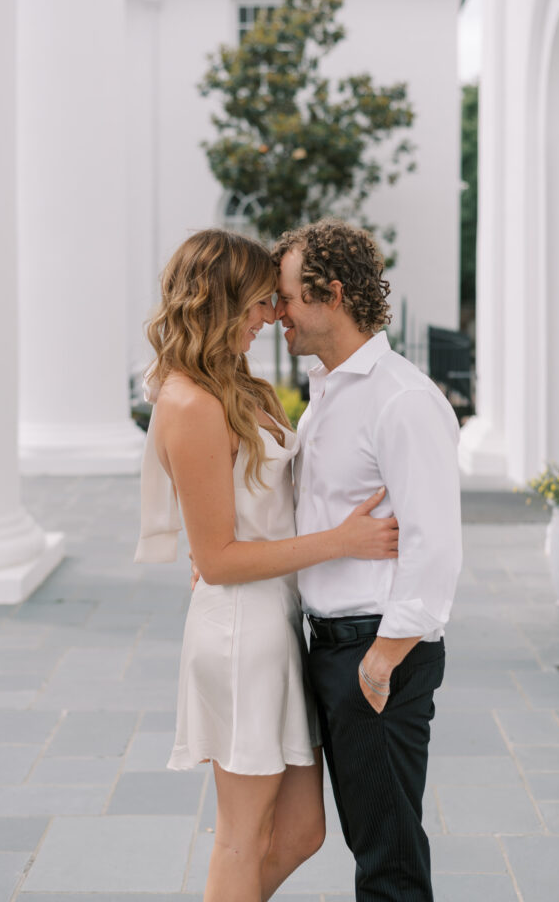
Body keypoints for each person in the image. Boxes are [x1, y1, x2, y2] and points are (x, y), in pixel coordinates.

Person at [134, 229, 400, 902]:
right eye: (259, 303)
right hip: (238, 636)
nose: (270, 316)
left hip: (278, 621)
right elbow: (220, 561)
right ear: (220, 303)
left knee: (303, 831)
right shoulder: (189, 404)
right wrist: (341, 541)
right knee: (241, 837)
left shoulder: (240, 384)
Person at [272, 220, 462, 902]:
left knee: (388, 858)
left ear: (332, 293)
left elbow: (435, 542)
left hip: (373, 648)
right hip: (330, 644)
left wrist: (381, 659)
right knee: (371, 840)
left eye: (287, 297)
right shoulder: (328, 391)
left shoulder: (402, 398)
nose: (277, 315)